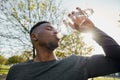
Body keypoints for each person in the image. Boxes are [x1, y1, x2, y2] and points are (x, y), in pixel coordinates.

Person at [6, 7, 120, 80]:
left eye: (56, 29)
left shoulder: (77, 63)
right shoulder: (16, 71)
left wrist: (93, 30)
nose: (56, 31)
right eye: (49, 28)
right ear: (34, 36)